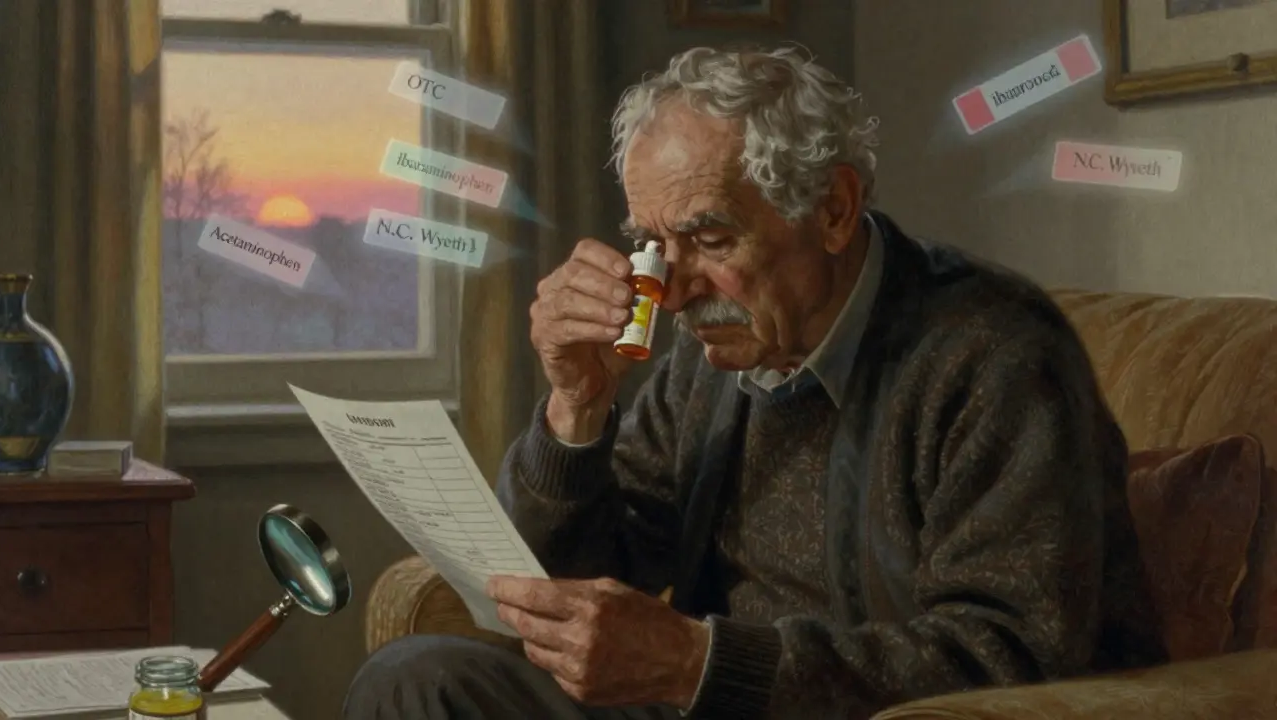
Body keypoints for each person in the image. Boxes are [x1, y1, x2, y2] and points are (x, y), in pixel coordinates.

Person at [345, 46, 1164, 720]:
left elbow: (1009, 654)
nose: (668, 285)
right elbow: (574, 575)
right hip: (703, 704)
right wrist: (576, 408)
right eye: (652, 244)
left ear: (835, 209)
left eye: (707, 237)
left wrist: (699, 661)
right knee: (417, 680)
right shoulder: (712, 359)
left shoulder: (992, 355)